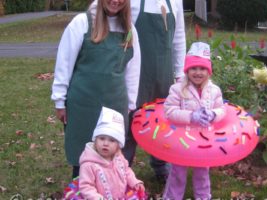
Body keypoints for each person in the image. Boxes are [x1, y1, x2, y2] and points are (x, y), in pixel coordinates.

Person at [51, 0, 141, 178]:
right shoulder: (82, 23)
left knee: (110, 155)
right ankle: (82, 190)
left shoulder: (129, 29)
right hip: (83, 104)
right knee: (83, 154)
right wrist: (60, 100)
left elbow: (133, 69)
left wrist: (130, 104)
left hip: (115, 103)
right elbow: (64, 62)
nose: (116, 1)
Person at [125, 0, 187, 181]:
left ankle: (161, 166)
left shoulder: (175, 2)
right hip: (137, 73)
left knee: (162, 121)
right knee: (130, 120)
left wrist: (179, 74)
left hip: (164, 73)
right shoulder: (132, 2)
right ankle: (123, 167)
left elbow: (179, 38)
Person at [163, 42, 226, 200]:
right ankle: (172, 196)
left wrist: (212, 114)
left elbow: (222, 110)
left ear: (209, 71)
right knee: (178, 170)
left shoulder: (214, 90)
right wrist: (191, 116)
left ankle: (203, 196)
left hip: (204, 139)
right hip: (182, 139)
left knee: (202, 171)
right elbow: (170, 111)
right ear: (187, 70)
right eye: (193, 68)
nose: (198, 72)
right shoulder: (177, 89)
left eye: (203, 68)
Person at [79, 107, 145, 199]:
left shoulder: (118, 157)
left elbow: (126, 171)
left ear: (118, 145)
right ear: (95, 140)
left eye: (112, 140)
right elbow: (86, 186)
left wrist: (134, 182)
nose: (105, 143)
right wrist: (96, 197)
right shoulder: (89, 164)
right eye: (102, 138)